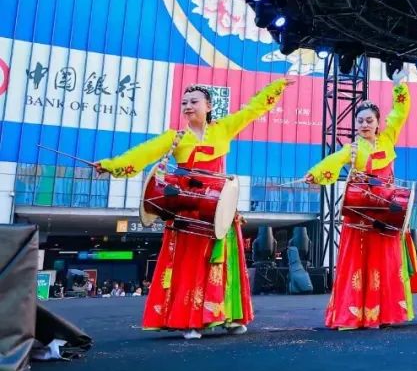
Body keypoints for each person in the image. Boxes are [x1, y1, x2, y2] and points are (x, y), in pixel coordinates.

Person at [94, 78, 292, 338]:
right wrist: (110, 166)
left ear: (208, 106)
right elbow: (141, 155)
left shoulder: (224, 128)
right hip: (188, 211)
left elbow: (252, 110)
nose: (188, 106)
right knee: (190, 266)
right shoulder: (175, 137)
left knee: (224, 264)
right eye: (184, 102)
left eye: (194, 102)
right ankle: (190, 320)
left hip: (220, 207)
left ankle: (229, 317)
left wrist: (276, 87)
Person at [305, 74, 415, 329]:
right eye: (360, 121)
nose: (364, 124)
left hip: (385, 213)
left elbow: (400, 112)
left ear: (378, 123)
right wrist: (315, 174)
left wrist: (399, 86)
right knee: (356, 263)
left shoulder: (388, 139)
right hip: (360, 216)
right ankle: (354, 315)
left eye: (369, 120)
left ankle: (384, 314)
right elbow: (331, 162)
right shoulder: (352, 149)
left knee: (385, 262)